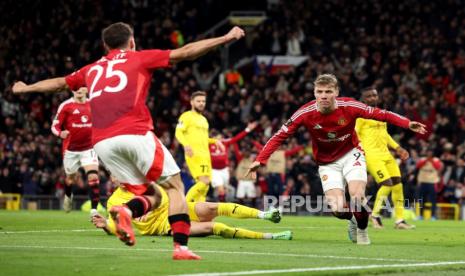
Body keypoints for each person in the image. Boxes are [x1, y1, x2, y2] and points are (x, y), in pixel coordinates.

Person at [12, 22, 245, 260]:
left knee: (152, 193)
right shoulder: (139, 58)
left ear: (105, 45)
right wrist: (224, 38)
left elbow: (59, 83)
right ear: (131, 41)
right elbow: (185, 52)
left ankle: (126, 211)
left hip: (102, 143)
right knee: (175, 188)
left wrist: (26, 88)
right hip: (134, 133)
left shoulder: (91, 69)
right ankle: (181, 248)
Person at [246, 74, 426, 245]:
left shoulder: (350, 106)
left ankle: (362, 230)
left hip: (351, 154)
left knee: (357, 196)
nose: (324, 96)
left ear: (336, 92)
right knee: (338, 209)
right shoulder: (305, 113)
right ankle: (354, 220)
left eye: (328, 91)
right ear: (314, 93)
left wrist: (407, 123)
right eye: (320, 92)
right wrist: (260, 160)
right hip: (327, 163)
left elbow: (383, 114)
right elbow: (279, 136)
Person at [92, 184, 292, 240]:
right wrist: (105, 227)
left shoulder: (145, 182)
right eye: (116, 173)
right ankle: (270, 236)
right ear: (112, 178)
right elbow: (117, 226)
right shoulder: (113, 201)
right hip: (163, 225)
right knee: (216, 227)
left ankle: (263, 214)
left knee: (213, 206)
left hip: (177, 207)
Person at [355, 87, 415, 229]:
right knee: (387, 184)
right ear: (363, 99)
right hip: (371, 155)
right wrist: (359, 150)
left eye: (374, 95)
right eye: (369, 96)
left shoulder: (381, 115)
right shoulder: (360, 116)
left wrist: (398, 148)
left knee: (398, 185)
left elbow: (385, 135)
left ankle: (399, 221)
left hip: (386, 154)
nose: (372, 98)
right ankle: (375, 215)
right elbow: (354, 133)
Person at [51, 87, 100, 216]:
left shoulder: (93, 104)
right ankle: (68, 195)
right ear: (71, 90)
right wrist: (60, 133)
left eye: (81, 87)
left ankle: (94, 211)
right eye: (75, 87)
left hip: (89, 147)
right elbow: (54, 126)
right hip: (70, 150)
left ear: (86, 89)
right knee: (70, 179)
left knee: (93, 176)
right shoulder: (66, 106)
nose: (78, 89)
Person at [175, 91, 225, 202]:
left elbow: (203, 139)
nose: (201, 103)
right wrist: (186, 145)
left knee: (205, 186)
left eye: (203, 101)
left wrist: (214, 141)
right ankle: (184, 205)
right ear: (192, 102)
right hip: (194, 153)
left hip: (205, 155)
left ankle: (198, 213)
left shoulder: (204, 120)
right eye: (198, 101)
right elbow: (178, 132)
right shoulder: (186, 116)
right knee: (204, 181)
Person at [210, 122, 258, 201]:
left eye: (220, 137)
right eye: (217, 137)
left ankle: (222, 204)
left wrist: (247, 129)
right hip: (214, 170)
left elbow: (236, 138)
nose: (219, 139)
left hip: (224, 170)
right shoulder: (208, 144)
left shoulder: (225, 143)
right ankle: (222, 207)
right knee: (221, 189)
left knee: (224, 189)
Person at [417, 149, 443, 220]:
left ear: (433, 153)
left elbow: (438, 167)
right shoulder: (422, 159)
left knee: (433, 200)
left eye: (430, 152)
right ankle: (420, 215)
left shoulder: (436, 160)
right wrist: (426, 160)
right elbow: (418, 166)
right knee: (421, 200)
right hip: (423, 182)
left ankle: (433, 216)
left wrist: (431, 160)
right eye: (428, 152)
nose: (429, 154)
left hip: (432, 182)